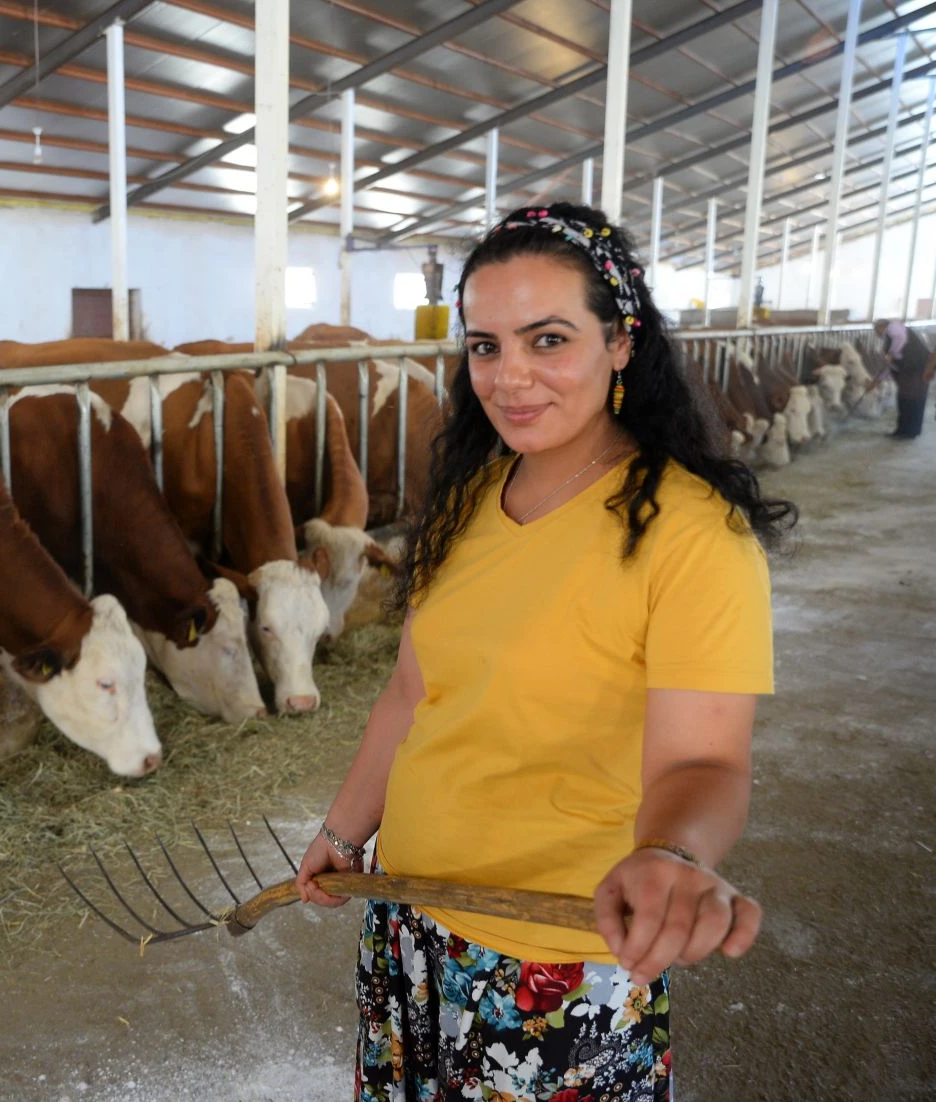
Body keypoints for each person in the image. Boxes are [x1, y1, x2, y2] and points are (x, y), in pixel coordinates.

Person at [296, 203, 795, 1102]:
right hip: (410, 912)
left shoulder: (693, 536)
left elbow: (706, 760)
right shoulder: (471, 494)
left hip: (553, 954)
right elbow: (413, 692)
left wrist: (675, 858)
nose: (510, 378)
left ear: (620, 342)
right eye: (485, 346)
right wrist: (345, 830)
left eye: (548, 339)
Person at [873, 318, 932, 439]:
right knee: (904, 400)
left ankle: (910, 432)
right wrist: (877, 380)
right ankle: (903, 430)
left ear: (881, 326)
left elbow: (900, 339)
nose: (876, 333)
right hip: (907, 372)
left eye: (875, 330)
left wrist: (891, 354)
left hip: (917, 368)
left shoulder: (893, 327)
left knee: (913, 401)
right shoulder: (888, 341)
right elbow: (889, 366)